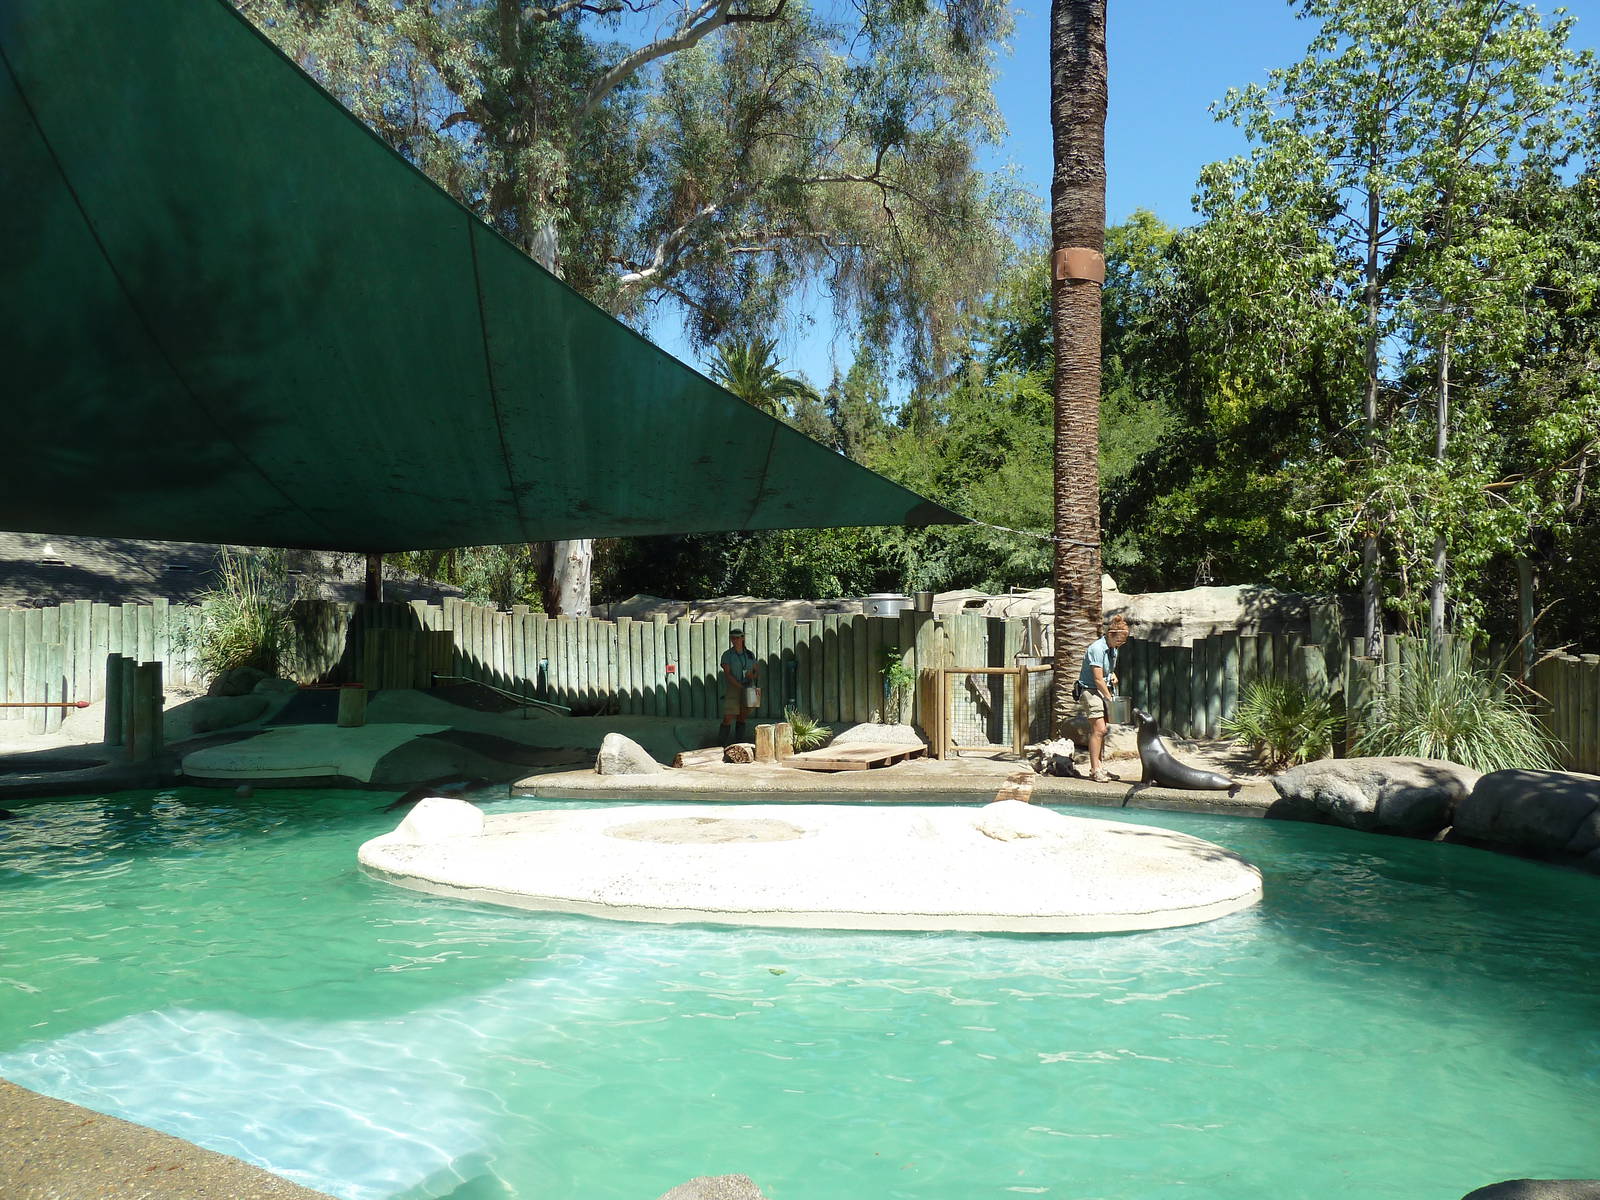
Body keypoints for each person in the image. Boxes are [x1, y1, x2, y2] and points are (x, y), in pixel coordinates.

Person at [1075, 615, 1130, 782]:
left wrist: (1113, 675)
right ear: (1111, 634)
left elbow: (1107, 672)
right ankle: (1094, 770)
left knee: (1103, 730)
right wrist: (1109, 698)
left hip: (1102, 689)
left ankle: (1100, 766)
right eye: (1119, 640)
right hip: (1090, 691)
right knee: (1098, 729)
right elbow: (1097, 679)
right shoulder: (1097, 649)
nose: (1121, 644)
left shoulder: (1113, 648)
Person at [718, 628, 759, 746]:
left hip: (750, 687)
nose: (734, 640)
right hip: (734, 688)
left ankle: (739, 744)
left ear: (743, 638)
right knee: (728, 716)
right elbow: (727, 674)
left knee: (743, 716)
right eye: (732, 638)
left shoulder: (750, 654)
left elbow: (757, 671)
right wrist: (739, 686)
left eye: (737, 638)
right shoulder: (727, 655)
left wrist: (753, 675)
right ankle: (720, 745)